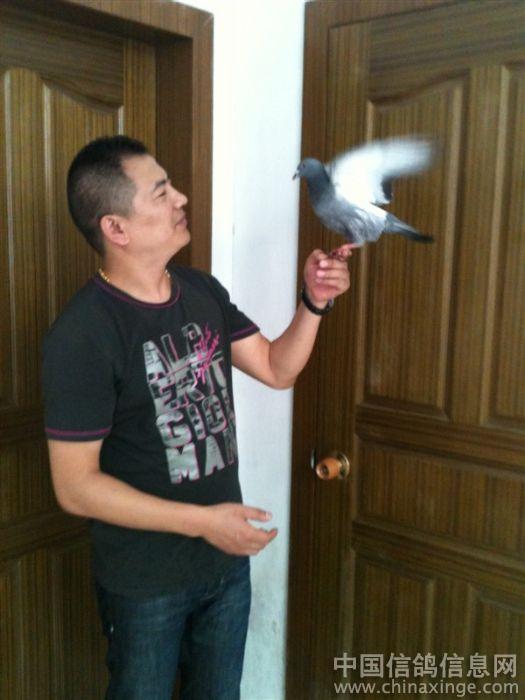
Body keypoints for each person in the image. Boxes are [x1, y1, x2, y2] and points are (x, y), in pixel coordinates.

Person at [42, 135, 350, 700]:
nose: (181, 198)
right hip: (145, 583)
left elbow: (277, 368)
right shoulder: (83, 334)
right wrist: (204, 522)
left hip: (225, 565)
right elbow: (75, 487)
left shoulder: (201, 291)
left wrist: (314, 302)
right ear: (116, 228)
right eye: (161, 193)